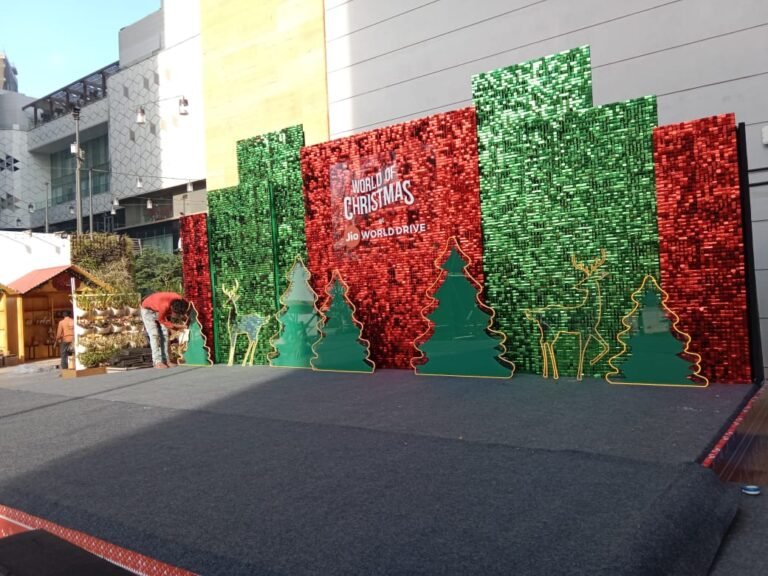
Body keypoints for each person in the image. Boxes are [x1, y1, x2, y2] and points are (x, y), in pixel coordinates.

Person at [140, 292, 191, 369]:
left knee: (165, 334)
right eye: (176, 315)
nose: (176, 317)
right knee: (154, 335)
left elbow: (186, 309)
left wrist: (187, 319)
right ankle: (157, 362)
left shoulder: (182, 301)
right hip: (147, 310)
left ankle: (166, 360)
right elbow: (162, 320)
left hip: (157, 307)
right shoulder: (164, 306)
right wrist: (178, 327)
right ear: (171, 309)